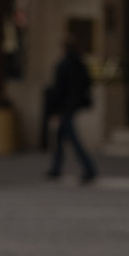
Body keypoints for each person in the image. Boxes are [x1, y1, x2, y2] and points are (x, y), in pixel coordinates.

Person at [45, 39, 97, 183]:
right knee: (61, 138)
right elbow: (87, 82)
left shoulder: (63, 65)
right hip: (72, 106)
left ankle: (89, 168)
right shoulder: (79, 64)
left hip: (65, 108)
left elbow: (59, 90)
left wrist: (56, 109)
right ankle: (56, 168)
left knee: (73, 139)